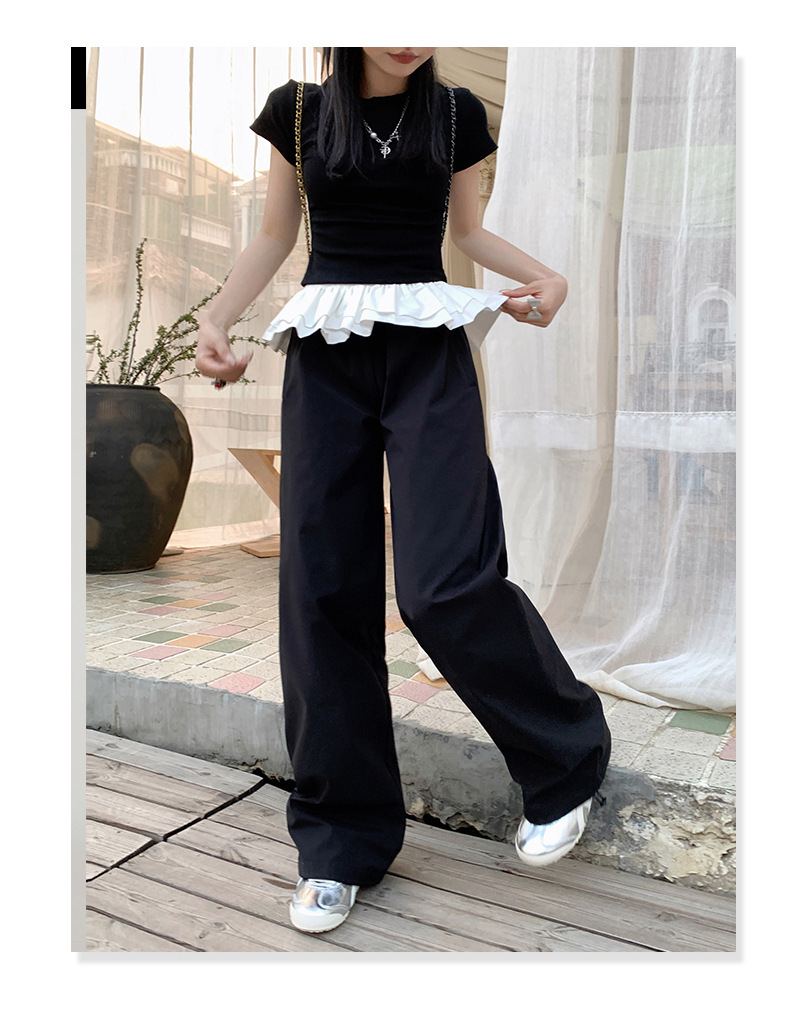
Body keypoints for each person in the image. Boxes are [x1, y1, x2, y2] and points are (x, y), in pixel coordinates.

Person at [196, 47, 611, 935]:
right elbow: (275, 236)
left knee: (445, 580)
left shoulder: (455, 114)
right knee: (321, 589)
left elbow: (468, 233)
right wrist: (217, 319)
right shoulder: (300, 110)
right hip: (327, 350)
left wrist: (546, 275)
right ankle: (339, 843)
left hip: (427, 346)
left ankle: (565, 757)